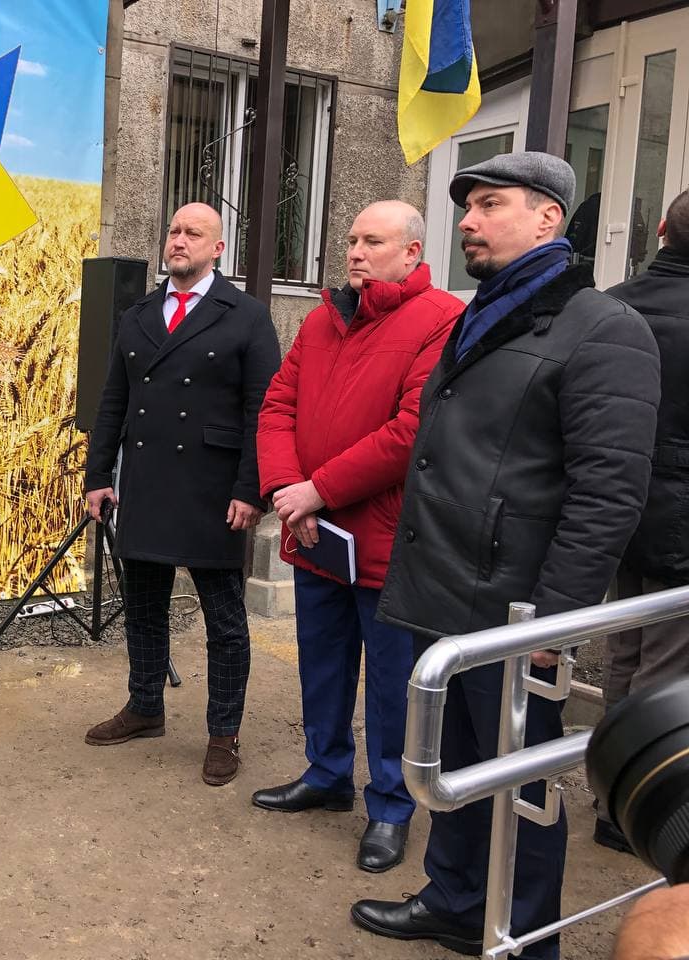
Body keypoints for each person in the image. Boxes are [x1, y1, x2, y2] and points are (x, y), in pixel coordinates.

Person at [352, 152, 660, 958]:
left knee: (519, 784)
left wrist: (552, 623)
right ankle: (456, 902)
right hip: (447, 589)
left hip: (514, 610)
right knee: (457, 764)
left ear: (548, 217)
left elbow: (609, 494)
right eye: (468, 207)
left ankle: (522, 936)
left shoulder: (603, 329)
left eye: (490, 204)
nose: (469, 221)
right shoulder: (485, 312)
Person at [251, 201, 463, 872]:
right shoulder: (323, 319)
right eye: (351, 239)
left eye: (373, 241)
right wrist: (289, 492)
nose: (355, 252)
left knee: (394, 682)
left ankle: (392, 806)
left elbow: (413, 431)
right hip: (314, 532)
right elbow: (277, 406)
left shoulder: (441, 320)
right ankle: (326, 774)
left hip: (389, 541)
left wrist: (317, 490)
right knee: (321, 662)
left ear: (411, 252)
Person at [82, 201, 280, 786]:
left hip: (213, 489)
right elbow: (113, 400)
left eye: (193, 232)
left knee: (224, 621)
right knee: (144, 608)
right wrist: (98, 475)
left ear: (217, 249)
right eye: (173, 230)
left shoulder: (246, 316)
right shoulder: (139, 314)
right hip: (146, 481)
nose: (179, 240)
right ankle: (145, 706)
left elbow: (263, 410)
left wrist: (252, 488)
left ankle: (224, 733)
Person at [596, 188, 689, 854]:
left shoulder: (612, 305)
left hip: (615, 511)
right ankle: (641, 809)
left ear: (658, 229)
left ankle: (612, 797)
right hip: (680, 525)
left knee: (624, 652)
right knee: (666, 663)